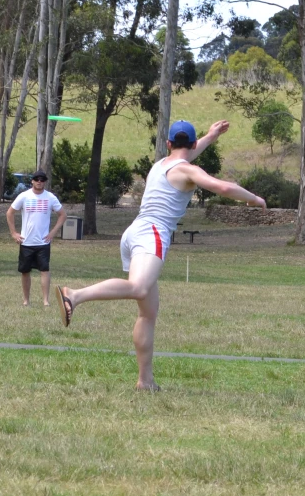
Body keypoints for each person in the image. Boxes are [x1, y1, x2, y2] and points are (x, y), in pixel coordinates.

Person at [55, 120, 267, 391]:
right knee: (139, 289)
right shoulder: (188, 170)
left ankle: (145, 381)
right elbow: (223, 187)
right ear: (190, 145)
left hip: (133, 233)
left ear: (168, 144)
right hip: (152, 234)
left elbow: (188, 153)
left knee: (148, 313)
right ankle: (74, 295)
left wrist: (211, 137)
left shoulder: (160, 165)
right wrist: (254, 198)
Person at [6, 170, 67, 307]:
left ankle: (45, 301)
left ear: (45, 182)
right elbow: (10, 213)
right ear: (32, 181)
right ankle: (26, 300)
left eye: (42, 179)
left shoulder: (50, 197)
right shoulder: (24, 196)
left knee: (44, 270)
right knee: (25, 271)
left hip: (43, 242)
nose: (39, 182)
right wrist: (14, 233)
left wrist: (53, 233)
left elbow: (63, 215)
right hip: (26, 241)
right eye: (37, 179)